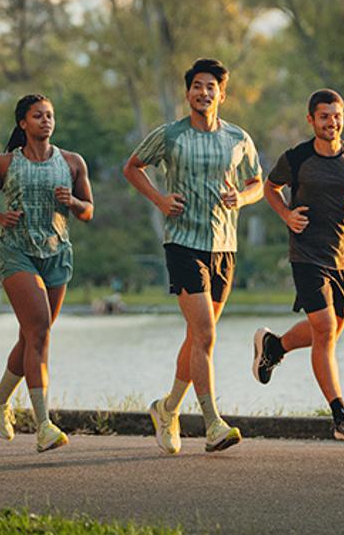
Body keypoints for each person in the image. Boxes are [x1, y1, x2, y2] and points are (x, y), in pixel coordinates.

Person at [123, 58, 264, 454]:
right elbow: (132, 167)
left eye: (211, 87)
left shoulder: (238, 138)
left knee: (196, 336)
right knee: (205, 333)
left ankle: (166, 408)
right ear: (188, 93)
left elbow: (257, 182)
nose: (204, 93)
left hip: (224, 246)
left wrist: (243, 196)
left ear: (222, 94)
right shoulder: (170, 135)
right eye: (197, 86)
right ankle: (212, 423)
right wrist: (159, 199)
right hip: (183, 242)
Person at [251, 88, 344, 441]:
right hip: (307, 255)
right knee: (325, 329)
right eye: (324, 116)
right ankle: (341, 416)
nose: (332, 122)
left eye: (337, 115)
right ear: (311, 120)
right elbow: (270, 187)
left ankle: (274, 347)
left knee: (329, 332)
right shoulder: (296, 158)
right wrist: (285, 214)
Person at [0, 94, 94, 453]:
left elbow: (88, 212)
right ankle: (44, 426)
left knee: (32, 337)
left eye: (50, 115)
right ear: (23, 123)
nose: (46, 120)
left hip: (57, 254)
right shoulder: (4, 163)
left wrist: (73, 202)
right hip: (17, 253)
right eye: (38, 115)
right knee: (38, 329)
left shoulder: (72, 162)